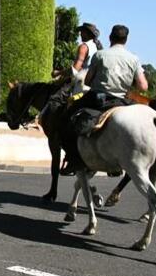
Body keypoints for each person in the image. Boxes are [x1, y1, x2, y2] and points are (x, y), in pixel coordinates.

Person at [60, 24, 148, 175]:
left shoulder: (100, 55)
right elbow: (143, 86)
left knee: (68, 117)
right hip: (122, 101)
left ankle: (74, 159)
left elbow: (87, 81)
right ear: (126, 40)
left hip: (98, 99)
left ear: (110, 38)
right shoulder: (134, 58)